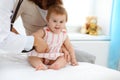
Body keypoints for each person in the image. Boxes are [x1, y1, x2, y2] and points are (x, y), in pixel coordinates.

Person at [0, 0, 65, 53]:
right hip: (35, 49)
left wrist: (62, 45)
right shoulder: (23, 2)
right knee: (35, 60)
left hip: (55, 47)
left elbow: (62, 27)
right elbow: (5, 28)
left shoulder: (57, 3)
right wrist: (28, 42)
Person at [27, 5, 78, 70]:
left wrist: (73, 59)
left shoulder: (64, 34)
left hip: (55, 56)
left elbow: (69, 47)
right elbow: (34, 36)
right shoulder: (45, 31)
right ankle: (40, 65)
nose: (58, 24)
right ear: (48, 20)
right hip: (41, 55)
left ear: (65, 22)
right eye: (54, 21)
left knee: (65, 58)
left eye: (61, 22)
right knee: (32, 57)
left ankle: (56, 65)